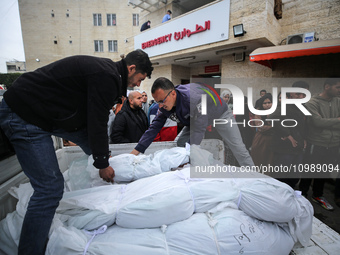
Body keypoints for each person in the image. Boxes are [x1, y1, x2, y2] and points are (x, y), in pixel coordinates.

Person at [0, 49, 153, 255]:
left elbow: (89, 127)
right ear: (131, 68)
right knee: (50, 190)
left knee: (98, 151)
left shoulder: (108, 74)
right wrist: (102, 164)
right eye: (139, 79)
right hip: (25, 114)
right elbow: (97, 122)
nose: (137, 85)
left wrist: (102, 158)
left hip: (44, 114)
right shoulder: (107, 76)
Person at [131, 77, 254, 167]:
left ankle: (254, 176)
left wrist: (190, 151)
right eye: (158, 102)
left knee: (237, 146)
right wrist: (137, 150)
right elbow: (154, 127)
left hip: (220, 114)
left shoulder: (194, 99)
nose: (160, 106)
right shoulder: (164, 105)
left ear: (173, 93)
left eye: (162, 101)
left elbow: (199, 130)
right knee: (180, 144)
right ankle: (184, 171)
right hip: (194, 119)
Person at [299, 78, 340, 211]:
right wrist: (337, 121)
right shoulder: (313, 103)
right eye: (337, 87)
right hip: (316, 143)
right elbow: (317, 122)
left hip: (333, 143)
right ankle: (302, 194)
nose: (339, 90)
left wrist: (327, 122)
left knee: (323, 171)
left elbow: (323, 122)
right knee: (309, 170)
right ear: (327, 86)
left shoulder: (338, 101)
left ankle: (318, 195)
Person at [269, 82, 308, 189]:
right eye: (298, 94)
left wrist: (304, 138)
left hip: (298, 148)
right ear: (291, 93)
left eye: (304, 94)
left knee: (294, 177)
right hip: (284, 148)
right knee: (281, 177)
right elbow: (272, 118)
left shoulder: (303, 107)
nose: (301, 97)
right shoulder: (285, 105)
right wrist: (288, 135)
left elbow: (303, 126)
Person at [250, 93, 275, 168]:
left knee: (270, 162)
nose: (267, 105)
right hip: (261, 139)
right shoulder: (258, 112)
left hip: (273, 140)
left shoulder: (276, 112)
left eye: (269, 102)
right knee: (258, 160)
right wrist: (273, 126)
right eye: (265, 103)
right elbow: (260, 127)